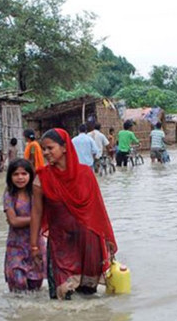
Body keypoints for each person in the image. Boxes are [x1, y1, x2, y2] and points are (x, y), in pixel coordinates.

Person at [29, 128, 117, 300]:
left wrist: (107, 239)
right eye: (43, 149)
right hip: (60, 243)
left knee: (89, 297)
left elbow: (98, 209)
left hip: (88, 241)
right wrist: (34, 246)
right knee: (62, 297)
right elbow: (37, 213)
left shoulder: (86, 174)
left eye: (50, 148)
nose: (46, 153)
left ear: (64, 147)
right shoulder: (41, 178)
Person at [3, 158, 46, 292]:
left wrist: (37, 219)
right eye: (16, 174)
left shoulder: (37, 193)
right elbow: (13, 221)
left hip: (36, 244)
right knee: (17, 283)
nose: (20, 178)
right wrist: (37, 218)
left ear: (30, 175)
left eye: (24, 174)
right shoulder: (9, 194)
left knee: (35, 286)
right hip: (16, 246)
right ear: (10, 177)